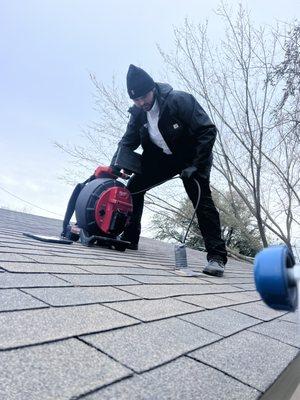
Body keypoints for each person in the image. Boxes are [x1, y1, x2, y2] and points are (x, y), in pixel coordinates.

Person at [111, 64, 227, 276]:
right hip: (162, 158)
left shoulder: (179, 100)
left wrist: (196, 164)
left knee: (201, 200)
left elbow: (207, 131)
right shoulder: (138, 113)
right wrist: (115, 166)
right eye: (136, 100)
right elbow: (127, 141)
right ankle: (130, 237)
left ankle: (217, 257)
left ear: (152, 88)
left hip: (192, 156)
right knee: (134, 186)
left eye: (144, 97)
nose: (141, 103)